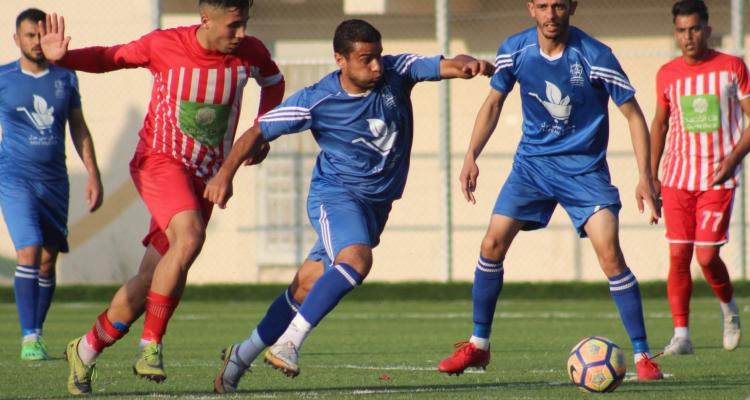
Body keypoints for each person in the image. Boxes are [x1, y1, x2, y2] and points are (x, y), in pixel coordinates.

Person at [204, 19, 493, 393]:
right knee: (356, 261)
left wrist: (467, 65)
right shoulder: (317, 100)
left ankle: (240, 357)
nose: (376, 66)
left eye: (378, 57)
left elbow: (444, 64)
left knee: (306, 287)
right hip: (336, 196)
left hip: (375, 207)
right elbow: (259, 129)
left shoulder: (397, 71)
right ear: (340, 59)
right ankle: (290, 342)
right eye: (365, 59)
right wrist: (224, 175)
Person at [38, 0, 284, 395]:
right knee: (190, 237)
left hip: (204, 176)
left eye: (245, 24)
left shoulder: (250, 52)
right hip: (160, 161)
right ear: (206, 19)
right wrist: (65, 58)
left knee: (153, 278)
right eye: (234, 25)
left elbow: (273, 82)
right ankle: (150, 345)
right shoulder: (164, 45)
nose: (241, 34)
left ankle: (84, 349)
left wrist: (262, 130)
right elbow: (109, 58)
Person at [436, 0, 665, 381]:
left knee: (610, 255)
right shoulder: (515, 49)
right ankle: (478, 345)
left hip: (584, 171)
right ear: (531, 8)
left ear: (572, 6)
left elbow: (633, 114)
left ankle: (643, 356)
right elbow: (493, 103)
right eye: (542, 5)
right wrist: (471, 155)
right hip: (533, 167)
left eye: (558, 5)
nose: (551, 14)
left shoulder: (596, 55)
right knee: (491, 244)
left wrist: (645, 176)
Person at [0, 8, 103, 362]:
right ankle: (29, 337)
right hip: (15, 178)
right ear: (17, 39)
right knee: (29, 250)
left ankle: (37, 332)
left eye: (41, 35)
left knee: (47, 260)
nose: (36, 42)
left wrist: (93, 173)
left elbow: (79, 127)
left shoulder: (66, 77)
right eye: (30, 35)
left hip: (55, 181)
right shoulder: (4, 78)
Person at [651, 0, 748, 356]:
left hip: (716, 179)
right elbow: (659, 124)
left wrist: (733, 159)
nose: (688, 37)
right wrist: (650, 176)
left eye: (694, 29)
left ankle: (729, 310)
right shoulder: (667, 73)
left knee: (706, 257)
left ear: (707, 29)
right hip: (677, 178)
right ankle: (682, 335)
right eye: (681, 30)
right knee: (679, 254)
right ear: (675, 33)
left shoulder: (732, 67)